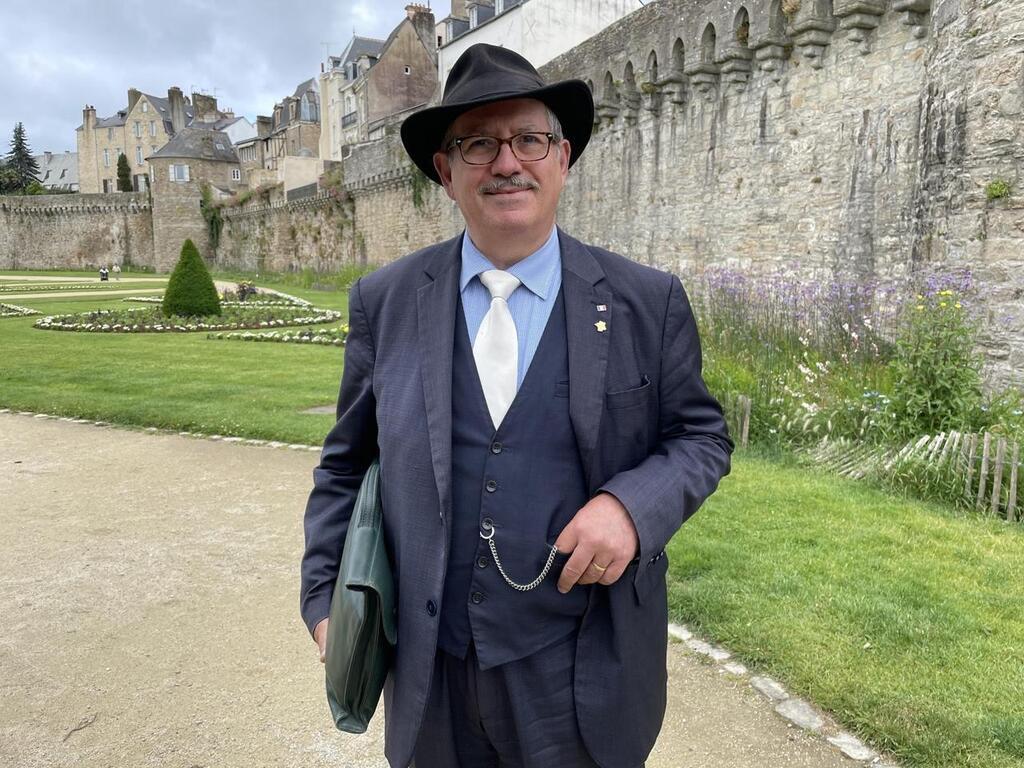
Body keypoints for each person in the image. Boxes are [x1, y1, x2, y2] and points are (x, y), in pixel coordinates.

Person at [301, 44, 733, 768]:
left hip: (581, 676)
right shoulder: (386, 301)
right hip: (430, 676)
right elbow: (347, 464)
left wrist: (631, 508)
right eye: (478, 144)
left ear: (562, 158)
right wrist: (323, 603)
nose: (507, 162)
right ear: (446, 171)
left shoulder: (643, 301)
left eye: (529, 139)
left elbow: (701, 437)